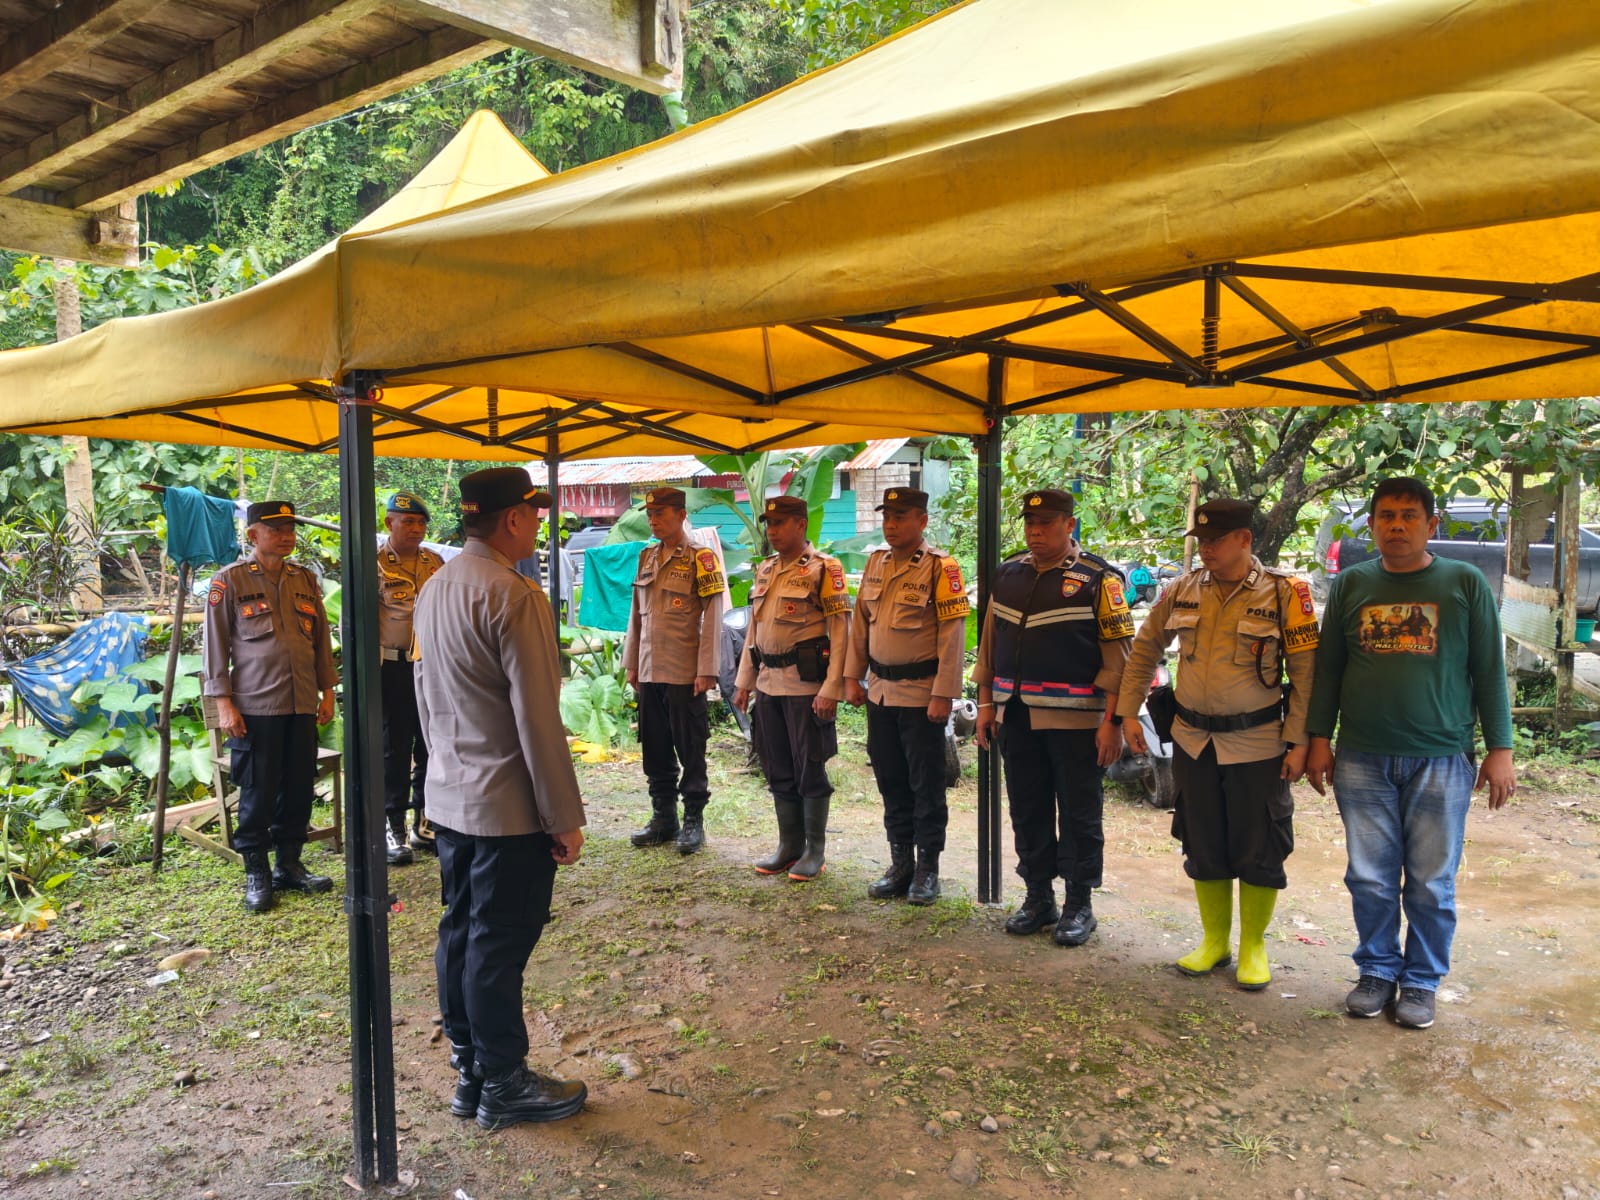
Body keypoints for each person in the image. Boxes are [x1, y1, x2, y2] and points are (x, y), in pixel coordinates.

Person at [1306, 476, 1516, 1031]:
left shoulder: (1463, 583)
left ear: (1431, 524)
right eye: (1386, 516)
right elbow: (1328, 672)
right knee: (1370, 877)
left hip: (1441, 756)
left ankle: (1420, 982)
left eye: (1408, 515)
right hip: (1362, 757)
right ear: (1371, 524)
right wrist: (1318, 740)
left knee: (1430, 879)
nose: (1396, 525)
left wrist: (1500, 748)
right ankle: (1376, 970)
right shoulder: (1352, 585)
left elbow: (1489, 672)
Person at [413, 467, 589, 1129]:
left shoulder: (434, 588)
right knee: (496, 945)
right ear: (513, 519)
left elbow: (426, 700)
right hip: (507, 806)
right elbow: (537, 719)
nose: (539, 524)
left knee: (459, 933)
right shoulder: (514, 595)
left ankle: (471, 1072)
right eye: (534, 515)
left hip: (451, 795)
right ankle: (505, 1082)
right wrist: (562, 817)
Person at [1118, 498, 1320, 989]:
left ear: (1245, 540)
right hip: (1192, 741)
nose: (1205, 549)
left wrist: (1300, 741)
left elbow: (1306, 673)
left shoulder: (1284, 593)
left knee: (1259, 847)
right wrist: (1127, 711)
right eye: (1201, 541)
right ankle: (1214, 941)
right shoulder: (1182, 589)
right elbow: (1145, 647)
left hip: (1258, 744)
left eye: (1215, 540)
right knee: (1202, 841)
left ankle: (1253, 945)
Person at [973, 488, 1133, 946]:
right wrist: (986, 703)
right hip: (1016, 715)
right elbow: (990, 644)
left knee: (1080, 813)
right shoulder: (1008, 574)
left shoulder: (1099, 579)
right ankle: (1037, 896)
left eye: (1046, 524)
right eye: (1030, 524)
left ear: (1069, 524)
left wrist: (1113, 721)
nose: (1036, 532)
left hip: (1079, 723)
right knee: (1028, 808)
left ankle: (1079, 904)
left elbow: (1119, 658)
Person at [202, 500, 338, 913]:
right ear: (253, 535)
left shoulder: (305, 580)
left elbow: (319, 641)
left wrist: (328, 691)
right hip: (256, 707)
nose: (286, 535)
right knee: (258, 792)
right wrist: (223, 703)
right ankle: (257, 873)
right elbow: (215, 648)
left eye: (290, 528)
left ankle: (290, 865)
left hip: (301, 703)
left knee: (298, 787)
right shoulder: (229, 582)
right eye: (275, 528)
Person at [842, 487, 969, 905]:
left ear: (922, 521)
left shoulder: (941, 569)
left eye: (901, 516)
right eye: (887, 517)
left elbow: (952, 636)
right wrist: (851, 678)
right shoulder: (876, 564)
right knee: (891, 782)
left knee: (926, 785)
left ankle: (928, 868)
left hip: (921, 696)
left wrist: (944, 694)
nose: (891, 525)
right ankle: (901, 864)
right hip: (880, 694)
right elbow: (860, 626)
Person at [732, 495, 850, 881]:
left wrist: (832, 686)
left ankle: (814, 851)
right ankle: (789, 846)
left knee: (809, 768)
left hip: (806, 686)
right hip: (769, 684)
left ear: (801, 524)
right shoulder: (765, 570)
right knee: (777, 766)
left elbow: (840, 630)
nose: (772, 530)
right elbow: (755, 630)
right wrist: (744, 682)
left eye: (780, 523)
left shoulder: (824, 569)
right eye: (769, 524)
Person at [623, 487, 727, 856]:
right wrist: (632, 662)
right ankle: (663, 817)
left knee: (691, 748)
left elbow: (713, 617)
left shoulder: (702, 557)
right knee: (654, 747)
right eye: (650, 514)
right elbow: (636, 614)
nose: (653, 520)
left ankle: (693, 820)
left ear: (681, 515)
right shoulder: (646, 556)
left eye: (662, 514)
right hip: (650, 671)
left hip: (686, 671)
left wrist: (707, 669)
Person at [375, 491, 445, 866]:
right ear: (390, 523)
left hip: (431, 666)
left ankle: (426, 822)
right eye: (408, 522)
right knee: (394, 749)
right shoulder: (375, 564)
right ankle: (393, 827)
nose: (416, 529)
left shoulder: (434, 562)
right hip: (393, 667)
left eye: (420, 523)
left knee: (430, 744)